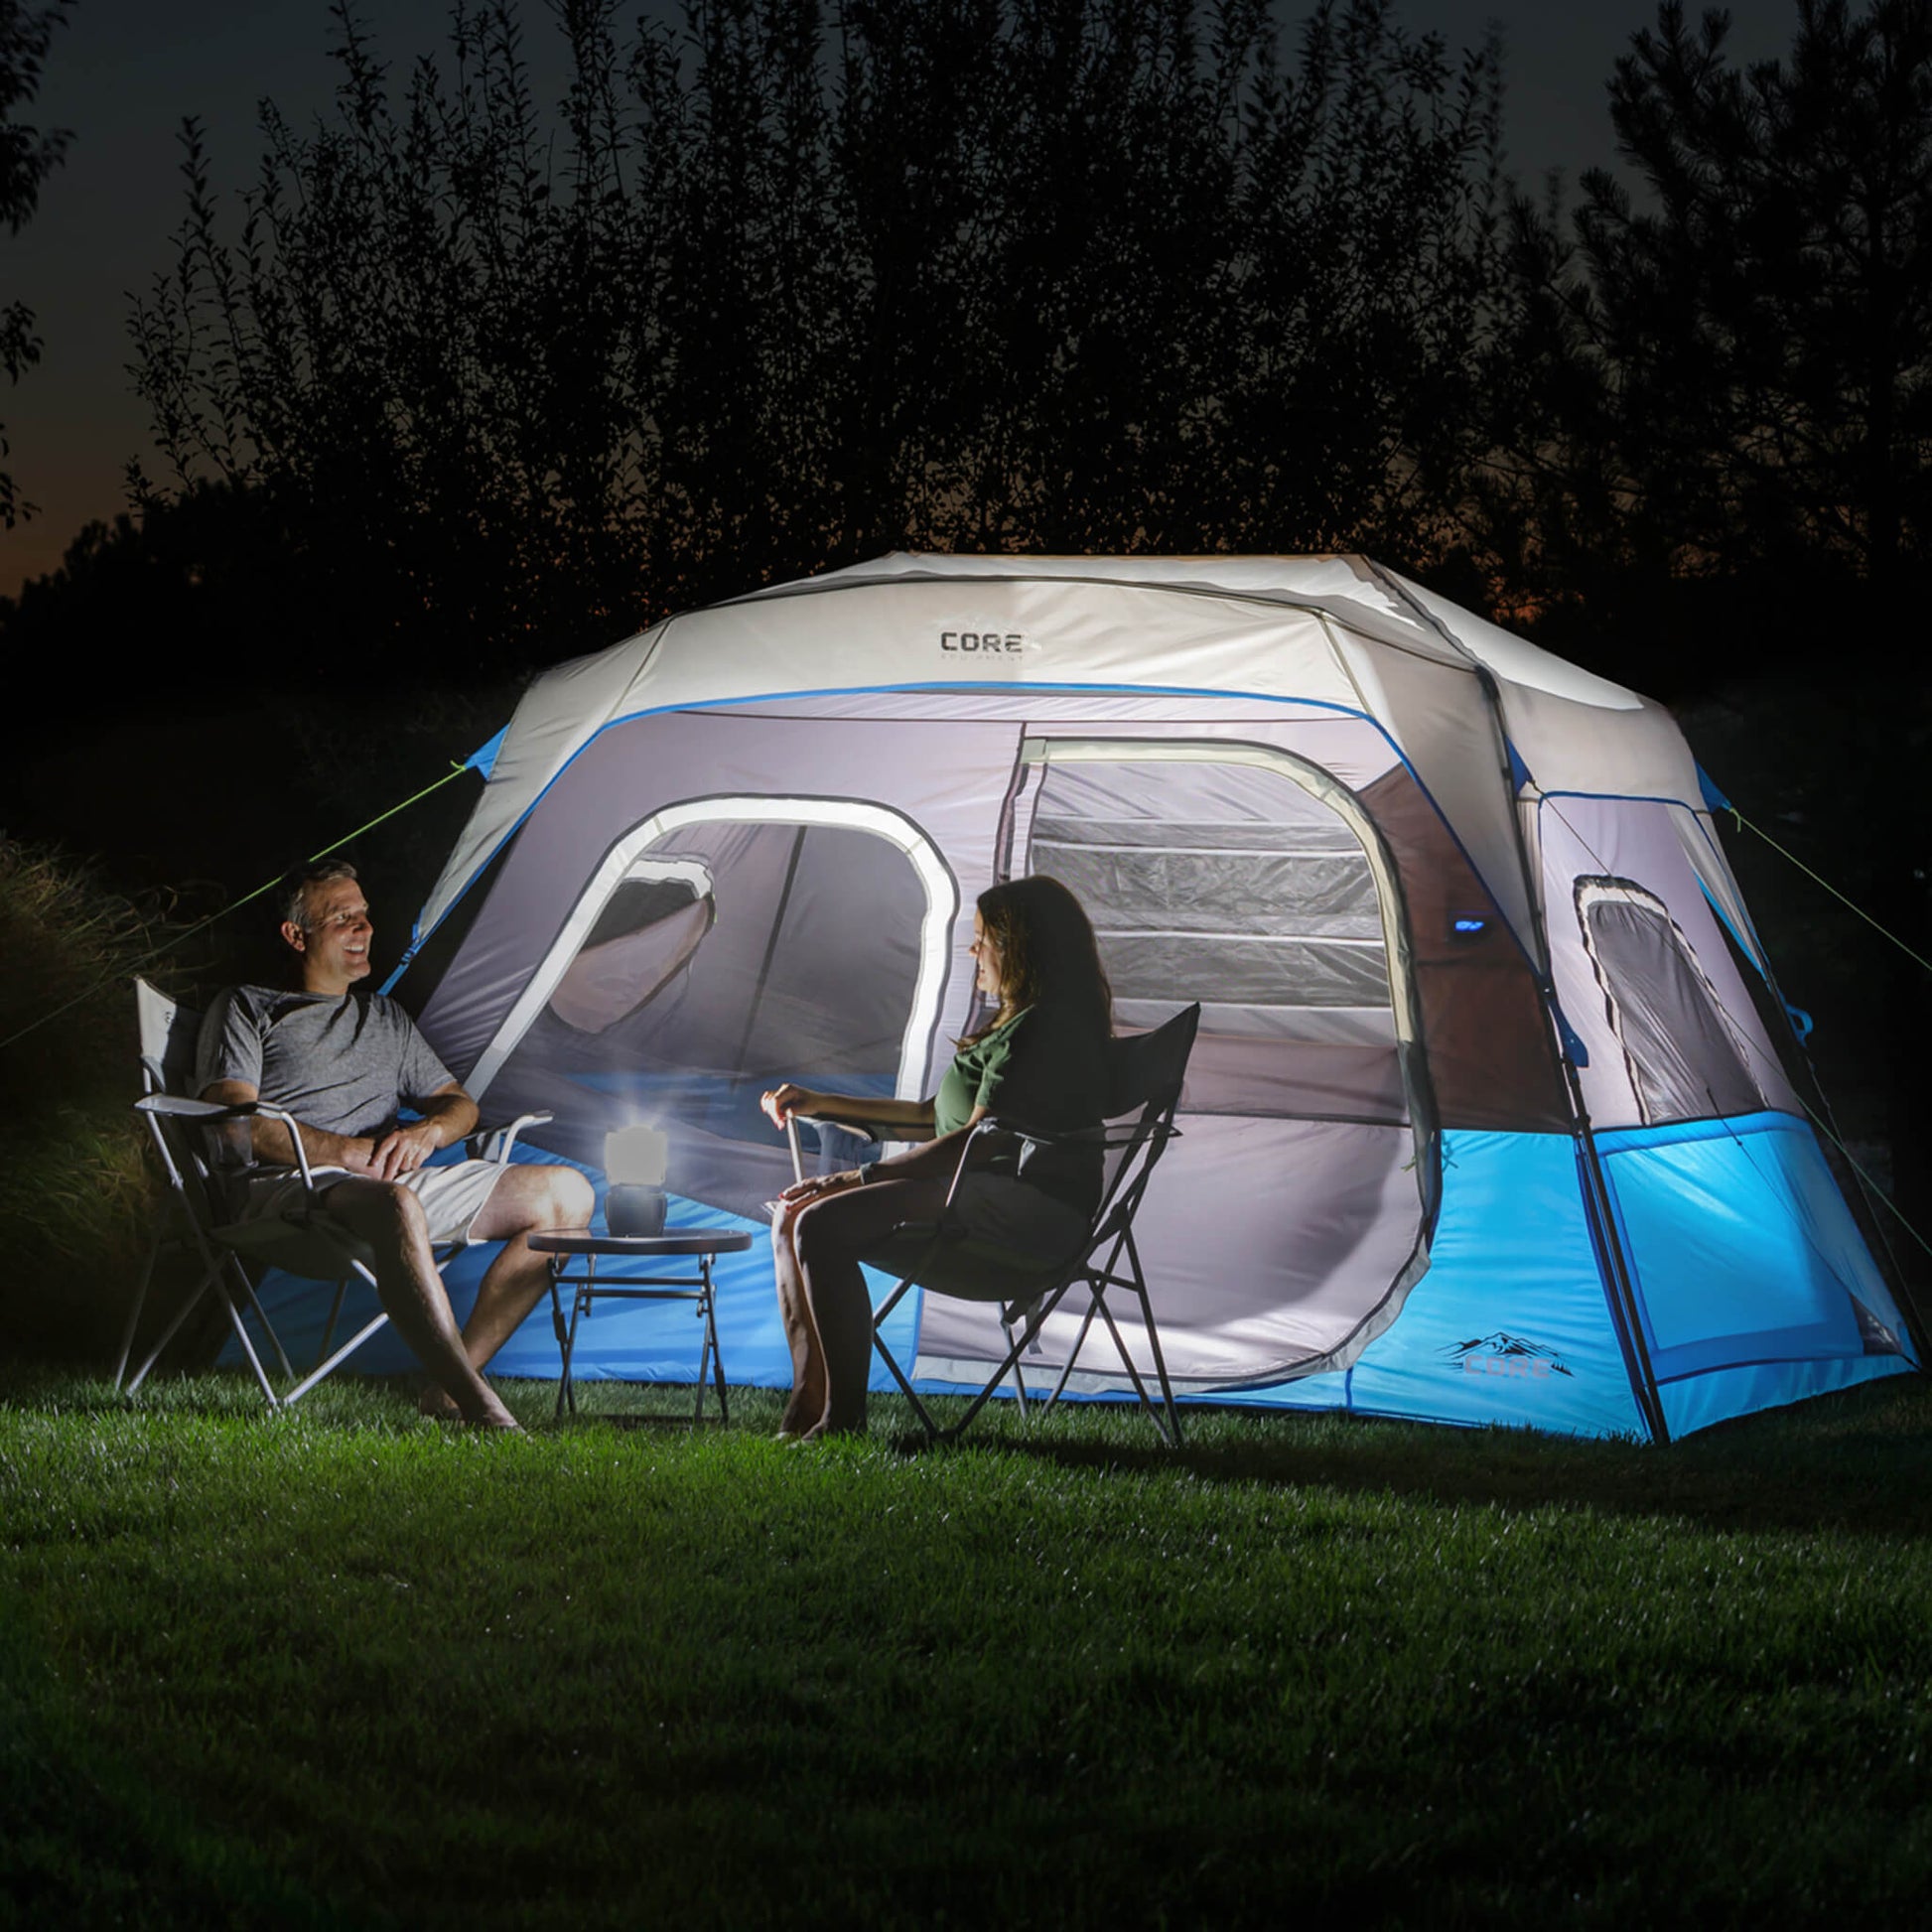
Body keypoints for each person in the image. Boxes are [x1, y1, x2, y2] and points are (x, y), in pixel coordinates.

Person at [197, 860, 594, 1430]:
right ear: (296, 935)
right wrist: (346, 1153)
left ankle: (450, 1388)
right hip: (292, 1188)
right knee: (396, 1203)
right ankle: (482, 1406)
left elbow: (460, 1105)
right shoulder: (249, 1007)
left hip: (389, 1182)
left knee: (568, 1196)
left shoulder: (384, 1017)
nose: (364, 929)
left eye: (364, 915)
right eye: (343, 918)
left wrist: (426, 1132)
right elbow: (235, 1124)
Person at [760, 875, 1113, 1441]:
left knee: (821, 1222)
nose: (973, 952)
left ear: (1019, 948)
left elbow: (977, 1142)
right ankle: (808, 1398)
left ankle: (841, 1421)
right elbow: (932, 1117)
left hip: (1026, 1212)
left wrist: (857, 1177)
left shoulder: (1042, 1030)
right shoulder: (1012, 1024)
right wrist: (819, 1102)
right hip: (977, 1195)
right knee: (791, 1213)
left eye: (983, 940)